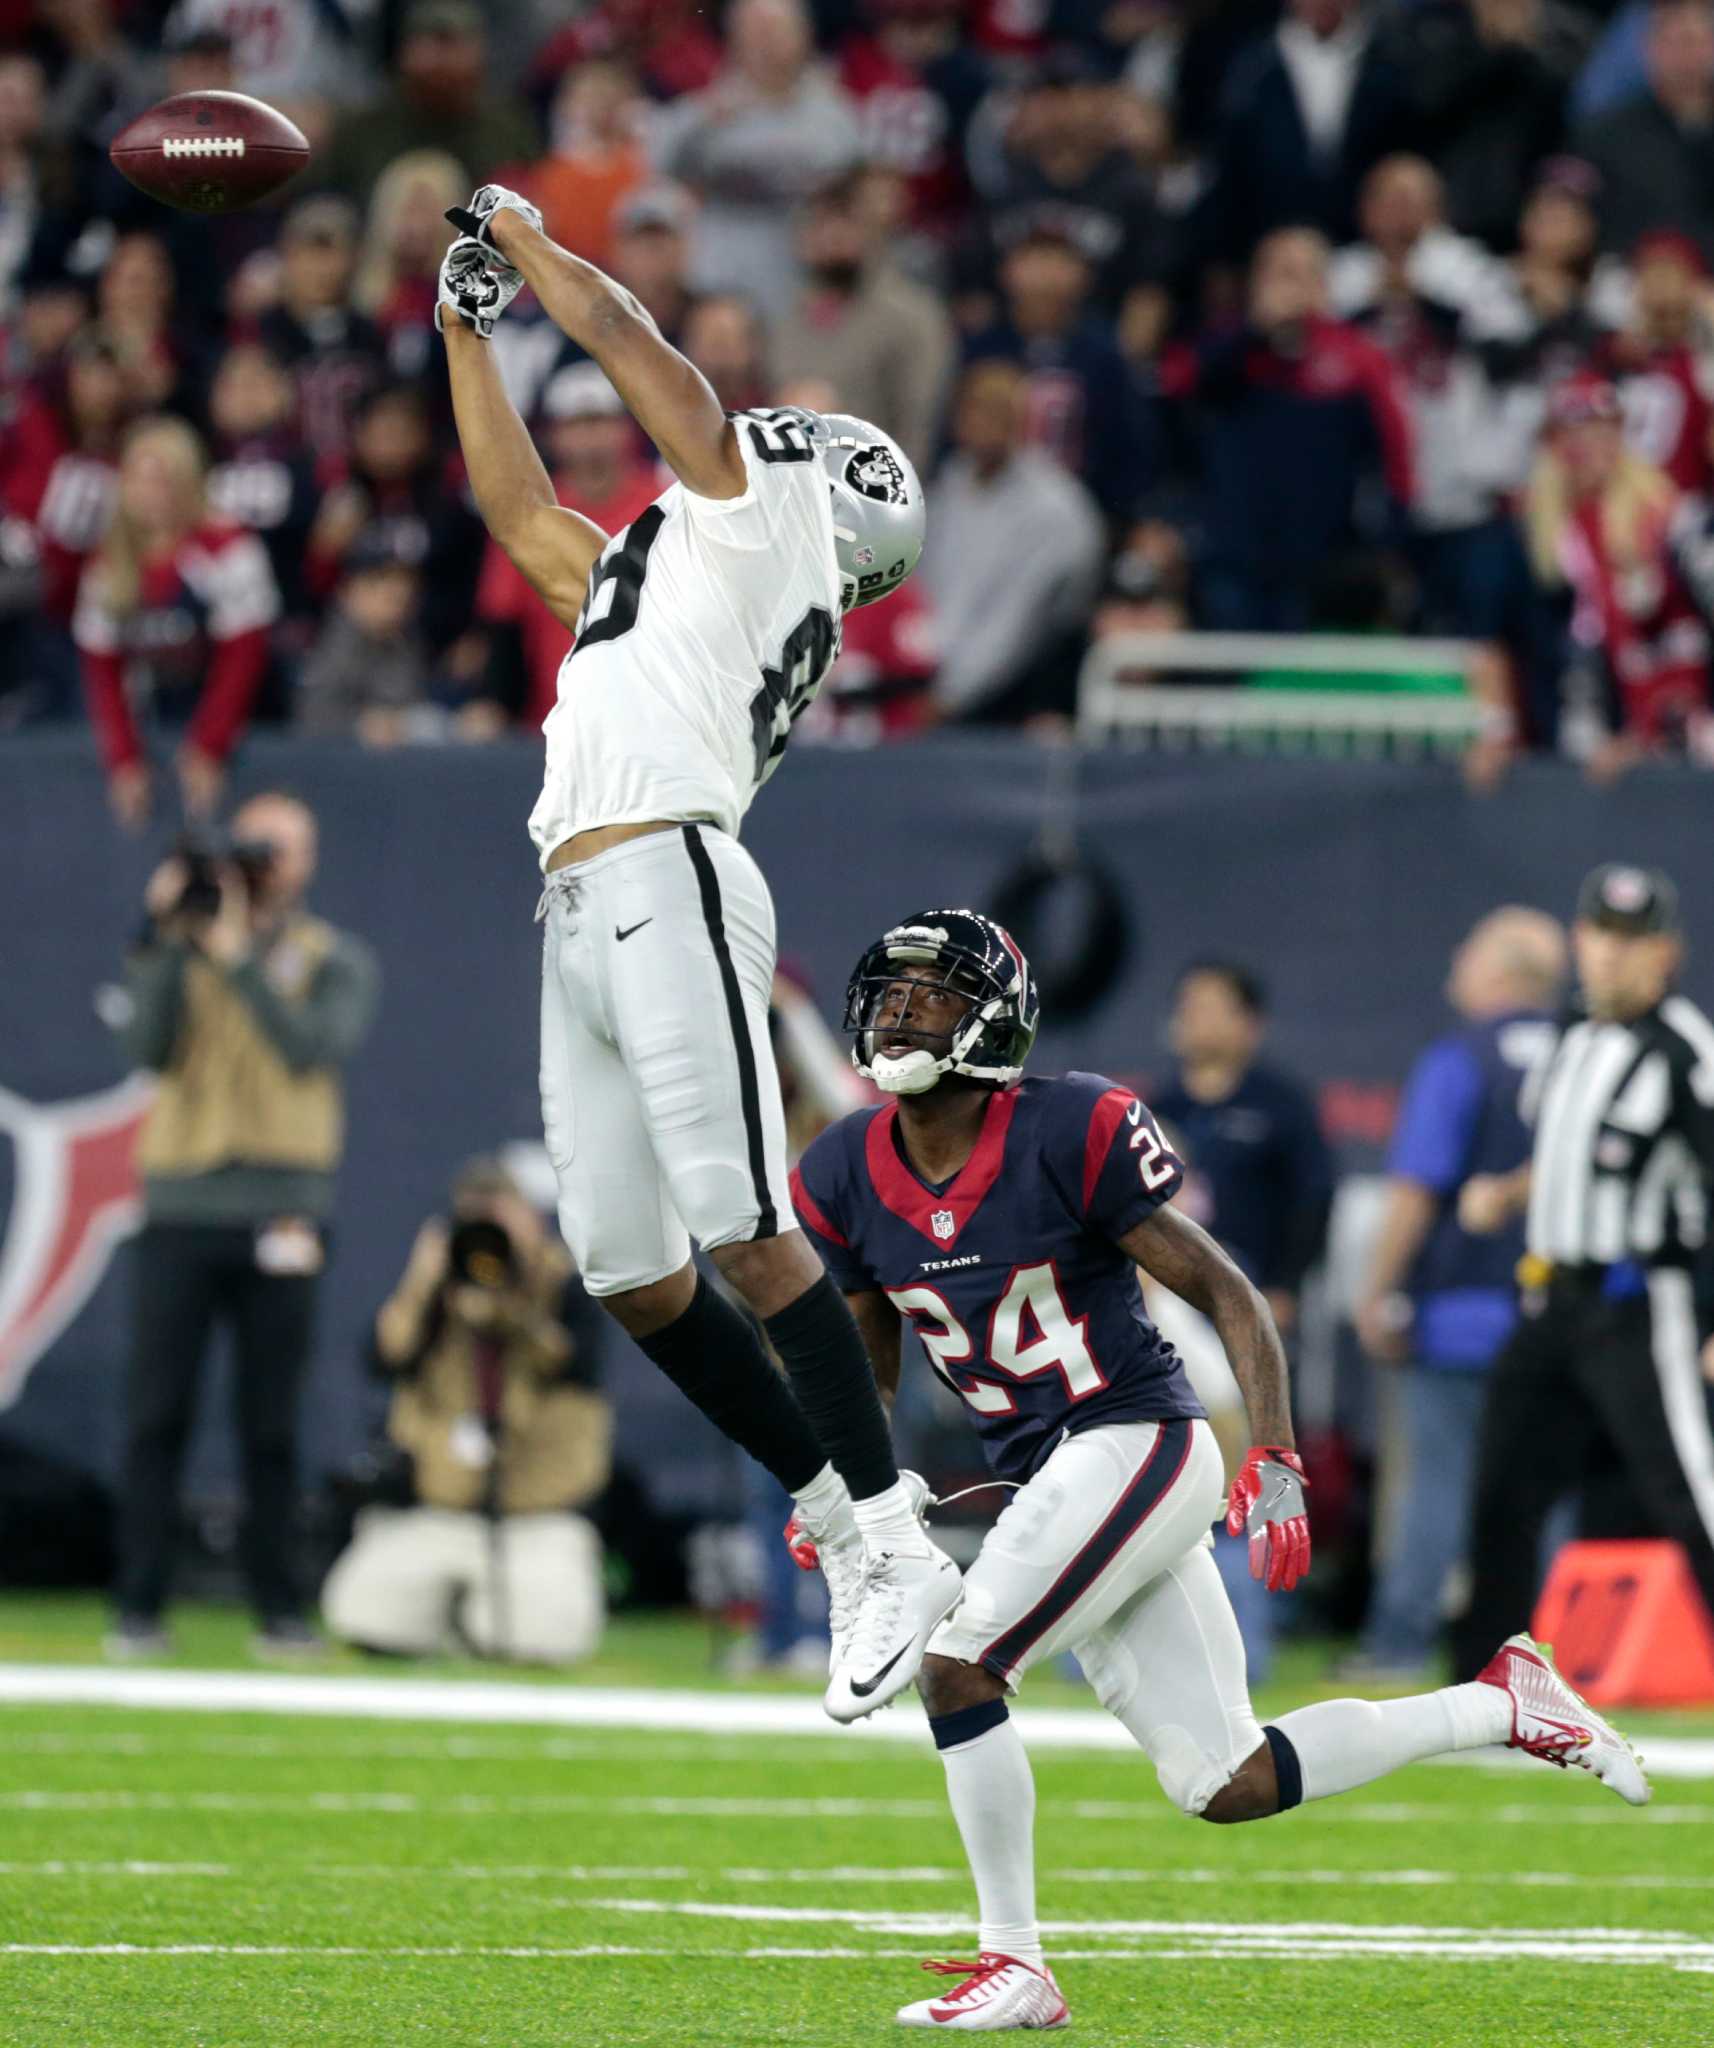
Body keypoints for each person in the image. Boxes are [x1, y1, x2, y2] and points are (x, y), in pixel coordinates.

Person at [789, 909, 1649, 2032]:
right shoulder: (842, 1167)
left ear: (993, 1017)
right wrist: (850, 1498)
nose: (901, 1011)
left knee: (958, 1664)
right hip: (1049, 1472)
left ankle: (1016, 1960)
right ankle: (1498, 1703)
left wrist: (1279, 1448)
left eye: (933, 993)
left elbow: (1228, 1291)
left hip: (1137, 1438)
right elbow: (866, 1354)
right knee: (1226, 1779)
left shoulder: (1070, 1126)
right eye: (891, 991)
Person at [433, 180, 955, 1723]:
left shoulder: (755, 520)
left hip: (667, 866)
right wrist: (465, 332)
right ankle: (839, 1512)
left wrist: (523, 244)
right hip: (584, 898)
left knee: (736, 1221)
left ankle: (888, 1536)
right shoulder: (692, 582)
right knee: (625, 1265)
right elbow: (523, 516)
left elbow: (632, 338)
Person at [107, 792, 380, 1660]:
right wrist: (157, 937)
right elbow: (145, 1052)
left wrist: (235, 959)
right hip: (182, 1200)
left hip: (283, 1205)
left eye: (282, 847)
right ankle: (138, 1606)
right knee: (158, 1413)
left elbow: (307, 1047)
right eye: (254, 844)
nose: (265, 862)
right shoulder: (182, 948)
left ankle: (279, 1609)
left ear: (307, 861)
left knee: (271, 1421)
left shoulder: (334, 958)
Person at [1452, 863, 1714, 1682]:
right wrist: (1508, 1193)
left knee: (1693, 1495)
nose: (1612, 955)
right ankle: (1485, 1693)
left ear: (1665, 952)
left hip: (1639, 1304)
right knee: (1500, 1493)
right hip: (1550, 1300)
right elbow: (1571, 1155)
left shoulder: (1687, 1053)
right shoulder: (1569, 1034)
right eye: (1601, 935)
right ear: (1578, 940)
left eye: (1632, 940)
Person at [1349, 907, 1566, 1680]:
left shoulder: (1462, 1058)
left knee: (1435, 1489)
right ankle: (1548, 1654)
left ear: (1502, 970)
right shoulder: (1586, 1056)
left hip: (1458, 1313)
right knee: (1546, 1496)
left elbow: (1416, 1188)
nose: (1455, 966)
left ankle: (1401, 1645)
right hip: (1561, 1319)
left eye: (1468, 953)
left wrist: (1378, 1288)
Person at [321, 1158, 611, 1665]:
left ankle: (474, 1620)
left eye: (498, 1225)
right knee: (364, 1618)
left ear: (530, 1221)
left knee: (543, 1641)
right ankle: (453, 1615)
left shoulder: (565, 1284)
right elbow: (385, 1356)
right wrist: (423, 1279)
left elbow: (575, 1365)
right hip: (438, 1507)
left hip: (536, 1515)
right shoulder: (435, 1291)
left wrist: (517, 1311)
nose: (486, 1245)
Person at [74, 415, 281, 829]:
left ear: (189, 482)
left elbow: (243, 658)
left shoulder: (227, 549)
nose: (150, 495)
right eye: (139, 480)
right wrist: (123, 759)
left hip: (246, 722)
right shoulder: (110, 563)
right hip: (160, 717)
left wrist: (210, 745)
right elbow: (103, 670)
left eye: (163, 480)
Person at [1154, 960, 1334, 1341]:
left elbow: (1312, 1199)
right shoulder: (1160, 1107)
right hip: (1166, 1299)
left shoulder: (1282, 1106)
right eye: (1188, 1007)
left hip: (1255, 1293)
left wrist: (1286, 1287)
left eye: (1210, 1007)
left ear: (1249, 1023)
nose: (1195, 1019)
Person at [922, 357, 1105, 724]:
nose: (984, 421)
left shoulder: (1057, 509)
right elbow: (923, 594)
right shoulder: (945, 491)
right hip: (932, 687)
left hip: (1018, 700)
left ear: (1021, 419)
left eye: (998, 409)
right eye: (975, 408)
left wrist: (944, 698)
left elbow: (1016, 626)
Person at [1576, 0, 1714, 266]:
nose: (1685, 59)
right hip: (1628, 282)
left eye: (1694, 42)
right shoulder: (1605, 135)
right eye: (1672, 43)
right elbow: (1588, 225)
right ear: (1649, 50)